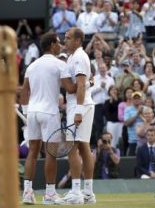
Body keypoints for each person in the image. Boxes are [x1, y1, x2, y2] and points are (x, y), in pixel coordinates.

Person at [20, 32, 76, 205]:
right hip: (49, 112)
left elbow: (24, 92)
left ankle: (27, 193)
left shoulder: (31, 66)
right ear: (52, 45)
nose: (61, 45)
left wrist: (26, 111)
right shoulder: (60, 64)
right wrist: (86, 82)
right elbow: (70, 88)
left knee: (33, 153)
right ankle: (50, 194)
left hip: (33, 113)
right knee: (51, 154)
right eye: (59, 42)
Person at [55, 27, 95, 205]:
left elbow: (79, 85)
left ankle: (76, 193)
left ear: (78, 41)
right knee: (84, 147)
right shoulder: (75, 57)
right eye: (64, 38)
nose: (65, 41)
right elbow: (85, 82)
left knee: (72, 147)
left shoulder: (78, 56)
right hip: (83, 104)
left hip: (79, 106)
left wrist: (78, 111)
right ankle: (88, 193)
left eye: (68, 38)